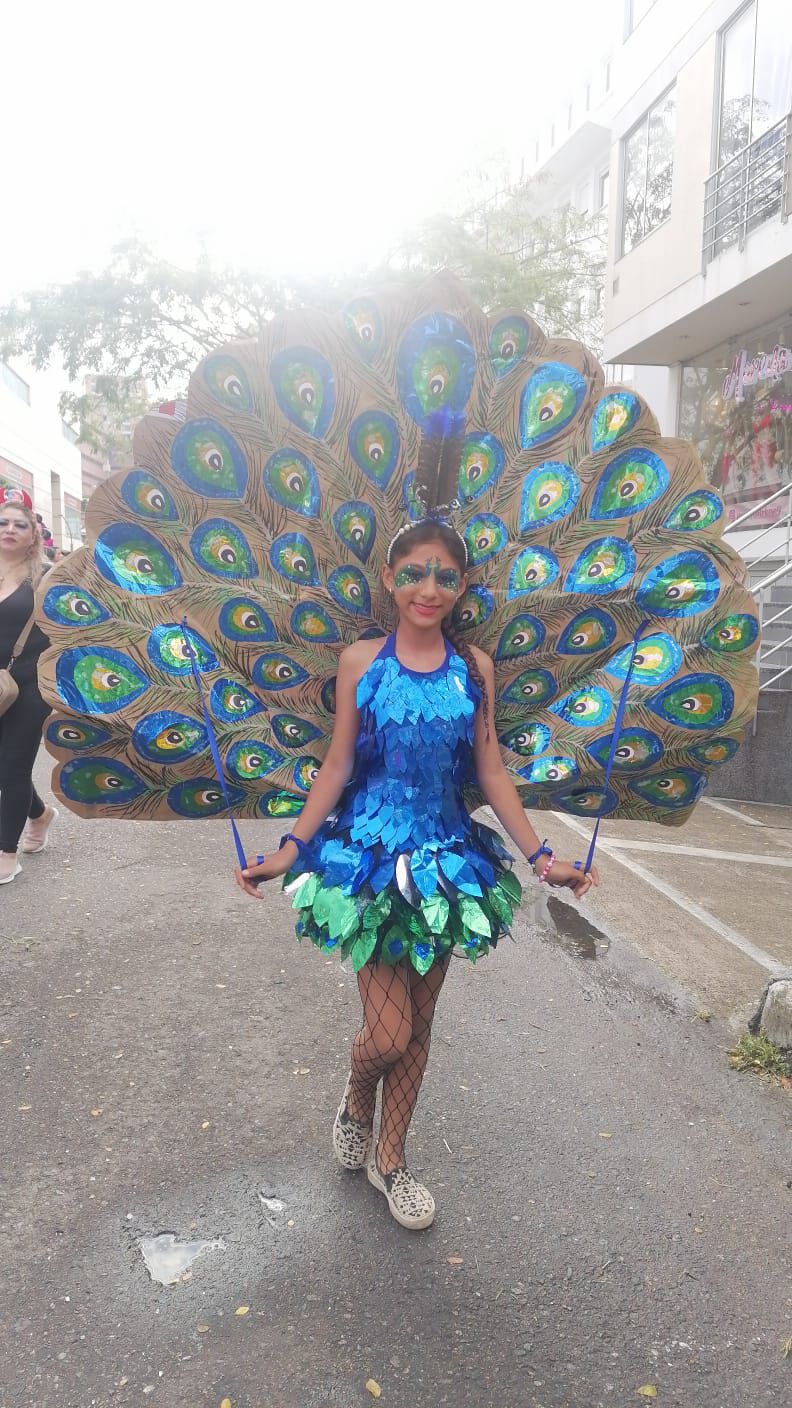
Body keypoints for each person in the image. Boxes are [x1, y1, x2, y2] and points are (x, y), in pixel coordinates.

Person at [234, 517, 597, 1231]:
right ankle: (354, 1097)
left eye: (444, 575)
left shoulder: (476, 668)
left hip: (447, 860)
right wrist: (289, 848)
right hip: (367, 860)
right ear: (389, 580)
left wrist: (540, 856)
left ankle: (391, 1162)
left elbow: (489, 769)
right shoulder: (360, 661)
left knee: (421, 1025)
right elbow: (337, 764)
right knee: (389, 1034)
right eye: (414, 572)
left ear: (462, 587)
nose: (428, 588)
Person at [0, 503, 58, 884]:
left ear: (33, 534)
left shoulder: (47, 577)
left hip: (29, 685)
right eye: (3, 522)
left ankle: (6, 854)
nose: (9, 529)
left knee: (12, 767)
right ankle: (40, 814)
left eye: (20, 524)